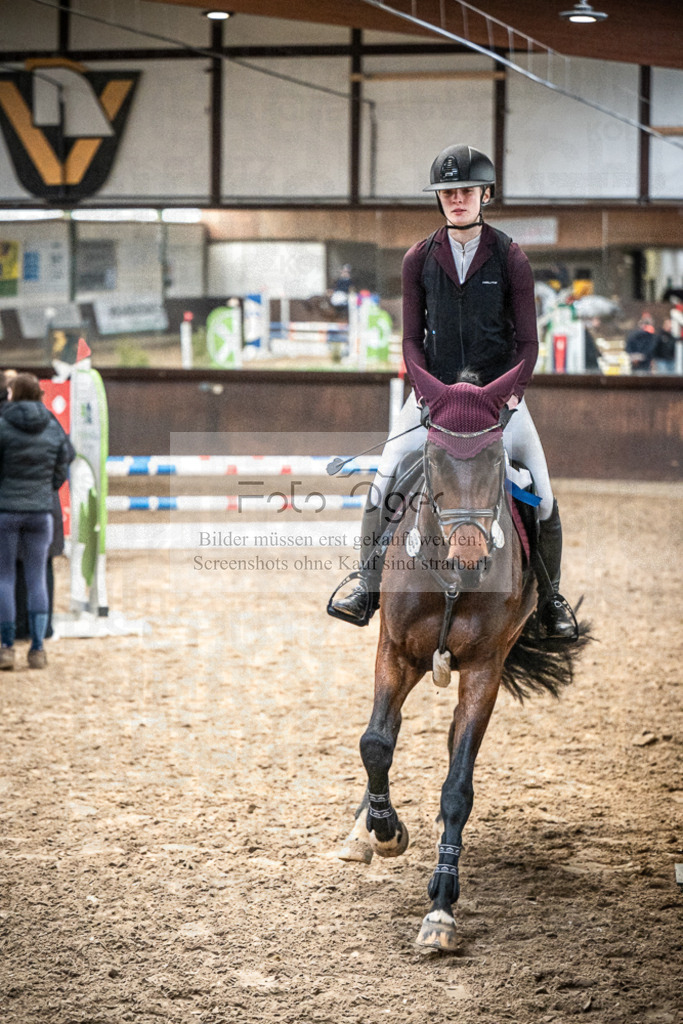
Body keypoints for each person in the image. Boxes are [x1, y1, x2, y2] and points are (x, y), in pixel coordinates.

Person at [328, 143, 577, 639]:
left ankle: (550, 601)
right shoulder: (418, 258)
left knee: (544, 497)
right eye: (447, 192)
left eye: (465, 191)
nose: (456, 199)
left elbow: (528, 344)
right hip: (433, 399)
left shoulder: (511, 258)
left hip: (499, 402)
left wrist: (506, 396)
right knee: (383, 480)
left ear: (485, 195)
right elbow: (410, 340)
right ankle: (367, 582)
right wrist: (429, 394)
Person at [0, 373, 74, 670]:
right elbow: (65, 460)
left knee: (5, 578)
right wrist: (48, 488)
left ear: (13, 394)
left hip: (6, 511)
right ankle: (38, 648)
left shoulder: (3, 425)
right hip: (41, 512)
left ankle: (6, 648)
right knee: (37, 578)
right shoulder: (52, 425)